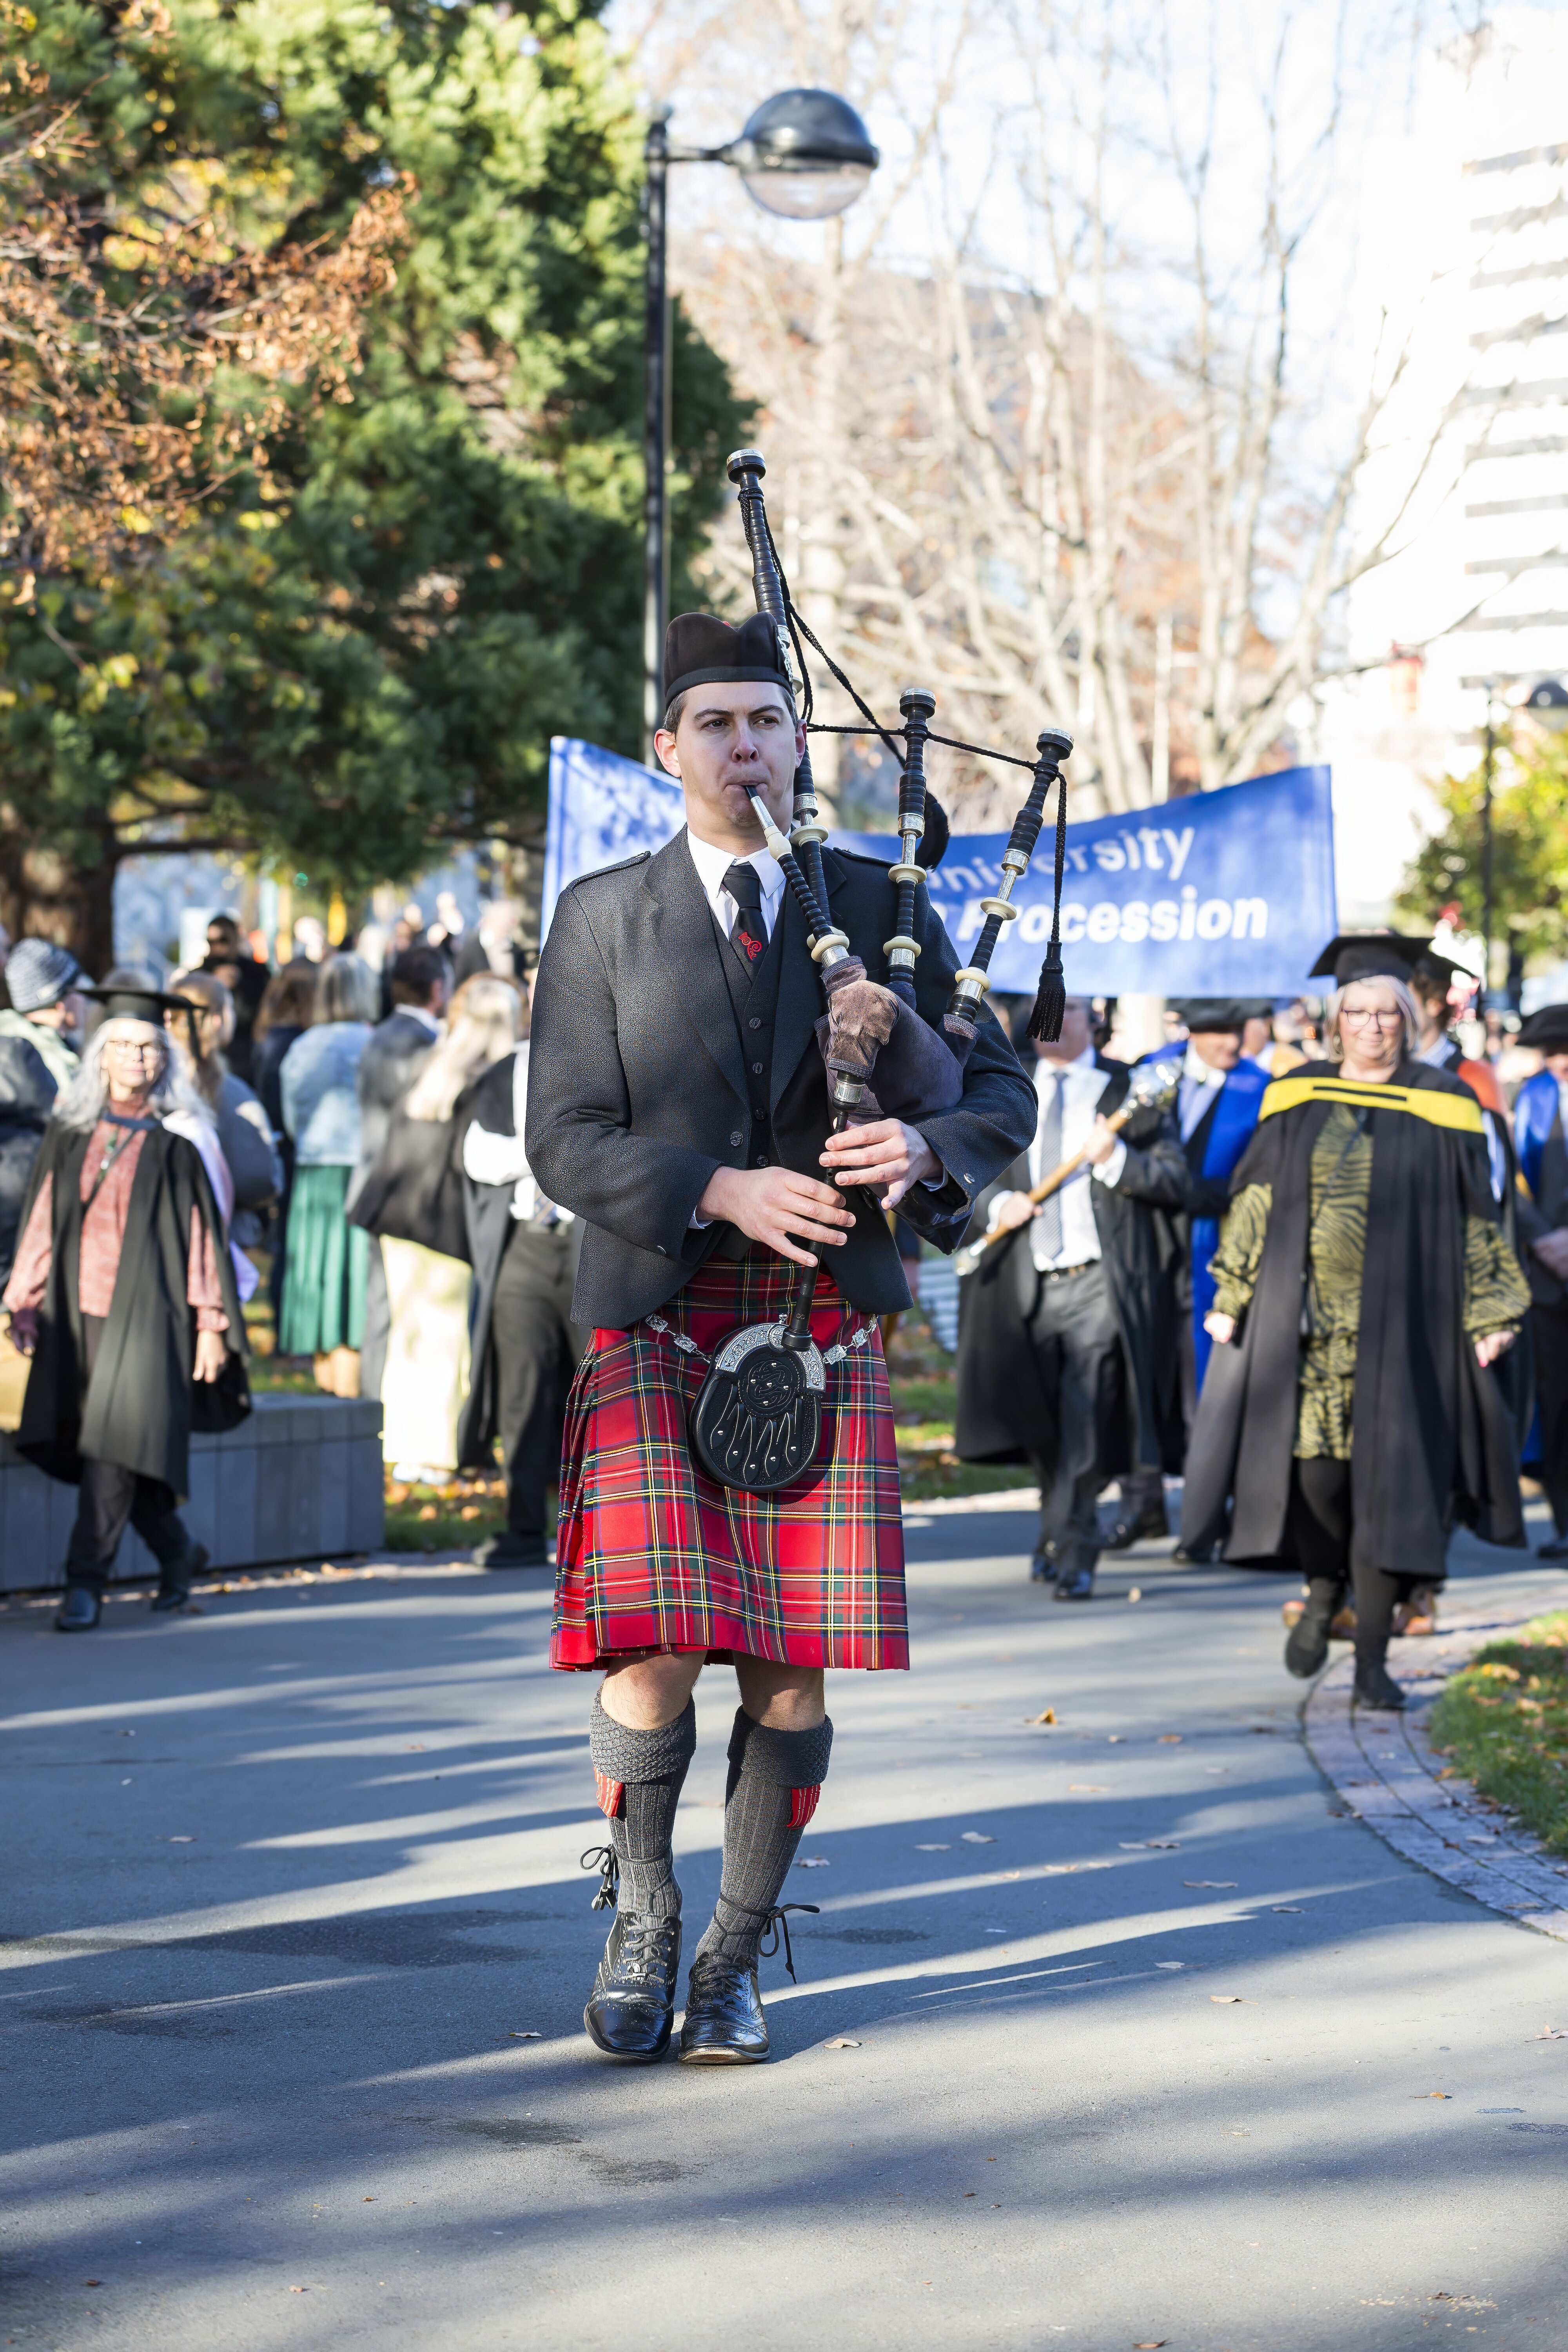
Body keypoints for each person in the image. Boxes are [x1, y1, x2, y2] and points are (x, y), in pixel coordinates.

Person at [526, 609, 1034, 2066]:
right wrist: (717, 1186)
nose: (742, 745)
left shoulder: (880, 903)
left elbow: (998, 1095)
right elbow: (560, 1135)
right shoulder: (603, 916)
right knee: (657, 1649)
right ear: (665, 750)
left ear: (795, 741)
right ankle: (642, 1913)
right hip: (663, 1306)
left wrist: (921, 1146)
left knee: (790, 1662)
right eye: (714, 724)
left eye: (764, 720)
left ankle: (736, 1954)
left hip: (818, 1320)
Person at [1181, 945, 1529, 1710]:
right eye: (1357, 1013)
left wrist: (1492, 1309)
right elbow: (1256, 1198)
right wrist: (1229, 1293)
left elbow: (1475, 1215)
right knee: (1316, 1480)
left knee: (1392, 1491)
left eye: (1385, 1014)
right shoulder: (1295, 1093)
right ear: (1336, 1024)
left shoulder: (1442, 1099)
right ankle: (1319, 1588)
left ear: (1407, 1021)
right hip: (1309, 1332)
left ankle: (1371, 1661)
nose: (1371, 1026)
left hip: (1410, 1331)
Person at [2, 986, 248, 1630]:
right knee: (100, 1445)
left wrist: (211, 1326)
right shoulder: (70, 1135)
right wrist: (23, 1302)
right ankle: (176, 1553)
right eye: (122, 1046)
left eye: (148, 1047)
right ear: (100, 1058)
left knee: (114, 1446)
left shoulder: (178, 1149)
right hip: (75, 1316)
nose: (136, 1057)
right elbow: (42, 1224)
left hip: (150, 1319)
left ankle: (85, 1582)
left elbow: (201, 1245)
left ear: (163, 1060)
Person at [955, 993, 1187, 1597]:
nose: (1054, 1025)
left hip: (1098, 1282)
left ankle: (1078, 1546)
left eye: (1069, 1010)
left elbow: (1173, 1177)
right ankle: (1056, 1526)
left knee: (1088, 1416)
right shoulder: (1005, 1086)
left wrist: (1117, 1160)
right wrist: (993, 1206)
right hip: (1025, 1282)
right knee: (1045, 1422)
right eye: (1041, 1015)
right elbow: (961, 1171)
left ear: (1093, 1018)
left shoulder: (1125, 1090)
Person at [350, 973, 519, 1478]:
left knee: (409, 1336)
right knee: (446, 1340)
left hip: (397, 1213)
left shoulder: (436, 1064)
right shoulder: (488, 1079)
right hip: (442, 1221)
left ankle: (401, 1445)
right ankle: (437, 1451)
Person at [458, 977, 586, 1568]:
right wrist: (556, 1150)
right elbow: (477, 1157)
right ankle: (523, 1527)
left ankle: (598, 1531)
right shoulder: (506, 1071)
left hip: (594, 1247)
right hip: (527, 1249)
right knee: (522, 1392)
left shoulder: (614, 1064)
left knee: (598, 1391)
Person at [351, 945, 451, 1403]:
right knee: (401, 1308)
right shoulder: (419, 1044)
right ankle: (383, 1408)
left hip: (374, 1182)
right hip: (402, 1188)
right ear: (437, 989)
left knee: (381, 1304)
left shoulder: (382, 1034)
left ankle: (376, 1404)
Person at [277, 956, 377, 1394]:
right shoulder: (373, 1042)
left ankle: (328, 1396)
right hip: (359, 1170)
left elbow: (290, 1114)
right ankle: (348, 1401)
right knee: (352, 1285)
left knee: (318, 1281)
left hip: (314, 1171)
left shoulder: (303, 1046)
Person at [166, 971, 283, 1254]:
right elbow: (257, 1178)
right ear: (218, 1020)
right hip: (221, 1236)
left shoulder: (155, 1079)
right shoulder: (231, 1093)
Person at [1513, 1002, 1568, 1561]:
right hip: (1550, 1272)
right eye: (1550, 1052)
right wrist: (1546, 1240)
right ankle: (1563, 1519)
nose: (1558, 1061)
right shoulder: (1533, 1097)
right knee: (1555, 1400)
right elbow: (1509, 1176)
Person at [0, 942, 84, 1290]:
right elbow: (63, 1120)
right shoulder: (17, 1051)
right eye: (79, 990)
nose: (86, 1000)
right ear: (60, 999)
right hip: (17, 1210)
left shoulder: (54, 1048)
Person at [200, 915, 270, 1086]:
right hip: (209, 1055)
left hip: (248, 1056)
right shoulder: (200, 975)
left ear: (235, 939)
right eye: (211, 941)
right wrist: (212, 984)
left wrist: (243, 984)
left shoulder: (256, 972)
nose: (216, 946)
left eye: (222, 940)